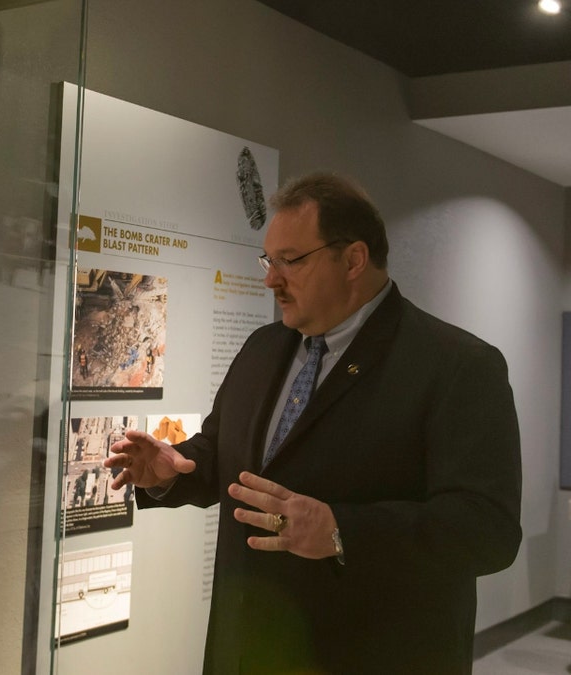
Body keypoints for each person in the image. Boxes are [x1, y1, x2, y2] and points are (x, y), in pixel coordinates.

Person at [105, 171, 521, 674]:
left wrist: (343, 531)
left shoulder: (456, 364)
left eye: (290, 261)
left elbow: (487, 530)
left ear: (353, 259)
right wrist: (175, 469)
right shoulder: (263, 348)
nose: (270, 279)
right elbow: (227, 454)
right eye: (268, 260)